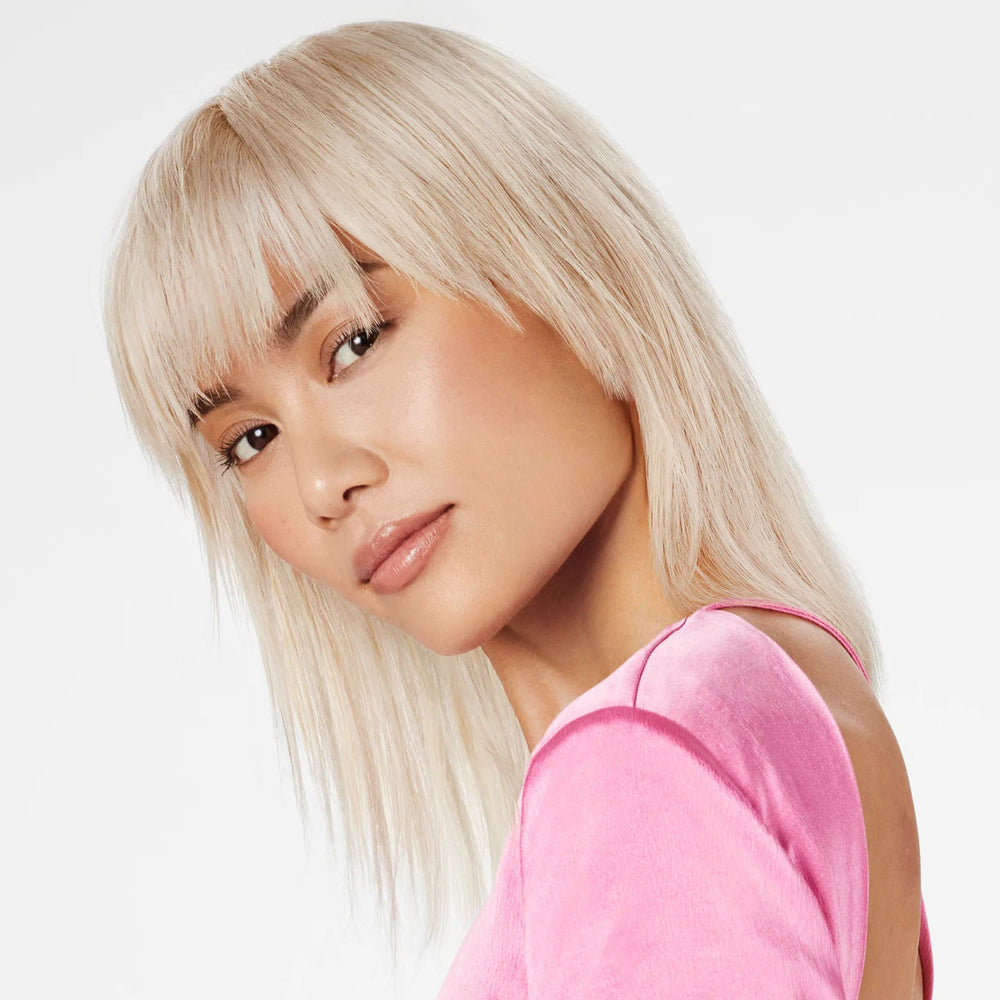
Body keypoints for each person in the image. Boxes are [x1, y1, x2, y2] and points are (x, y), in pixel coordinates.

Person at [103, 19, 933, 999]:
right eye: (249, 440)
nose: (322, 485)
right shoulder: (787, 692)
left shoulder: (640, 755)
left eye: (355, 341)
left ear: (563, 261)